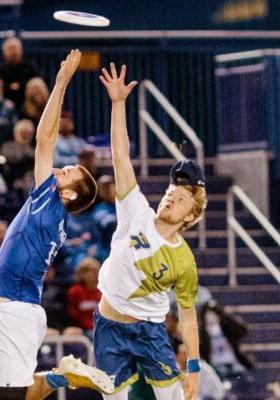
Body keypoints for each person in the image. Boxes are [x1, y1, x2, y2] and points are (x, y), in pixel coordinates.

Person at [0, 50, 109, 400]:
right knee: (13, 394)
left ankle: (64, 377)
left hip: (16, 312)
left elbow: (45, 139)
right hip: (17, 310)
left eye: (68, 173)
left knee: (10, 397)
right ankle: (63, 377)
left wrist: (60, 83)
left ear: (71, 195)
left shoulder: (50, 203)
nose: (60, 168)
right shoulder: (44, 207)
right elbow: (4, 263)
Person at [82, 62, 205, 400]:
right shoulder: (135, 210)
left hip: (150, 331)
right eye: (169, 193)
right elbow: (121, 157)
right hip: (109, 325)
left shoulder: (184, 261)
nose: (170, 199)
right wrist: (118, 104)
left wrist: (193, 368)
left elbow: (188, 317)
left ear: (190, 216)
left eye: (179, 199)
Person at [0, 37, 39, 108]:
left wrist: (19, 86)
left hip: (28, 103)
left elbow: (36, 83)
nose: (13, 52)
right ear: (4, 52)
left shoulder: (29, 67)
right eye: (9, 49)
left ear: (20, 50)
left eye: (14, 48)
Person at [67, 257, 101, 331]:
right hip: (80, 328)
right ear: (81, 273)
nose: (90, 274)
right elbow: (73, 313)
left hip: (100, 327)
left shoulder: (103, 291)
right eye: (86, 271)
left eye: (93, 271)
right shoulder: (74, 291)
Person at [0, 119, 35, 191]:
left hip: (31, 178)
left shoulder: (34, 148)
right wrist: (23, 148)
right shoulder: (8, 146)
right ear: (15, 133)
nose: (25, 136)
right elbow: (14, 159)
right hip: (14, 178)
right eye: (22, 133)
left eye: (28, 133)